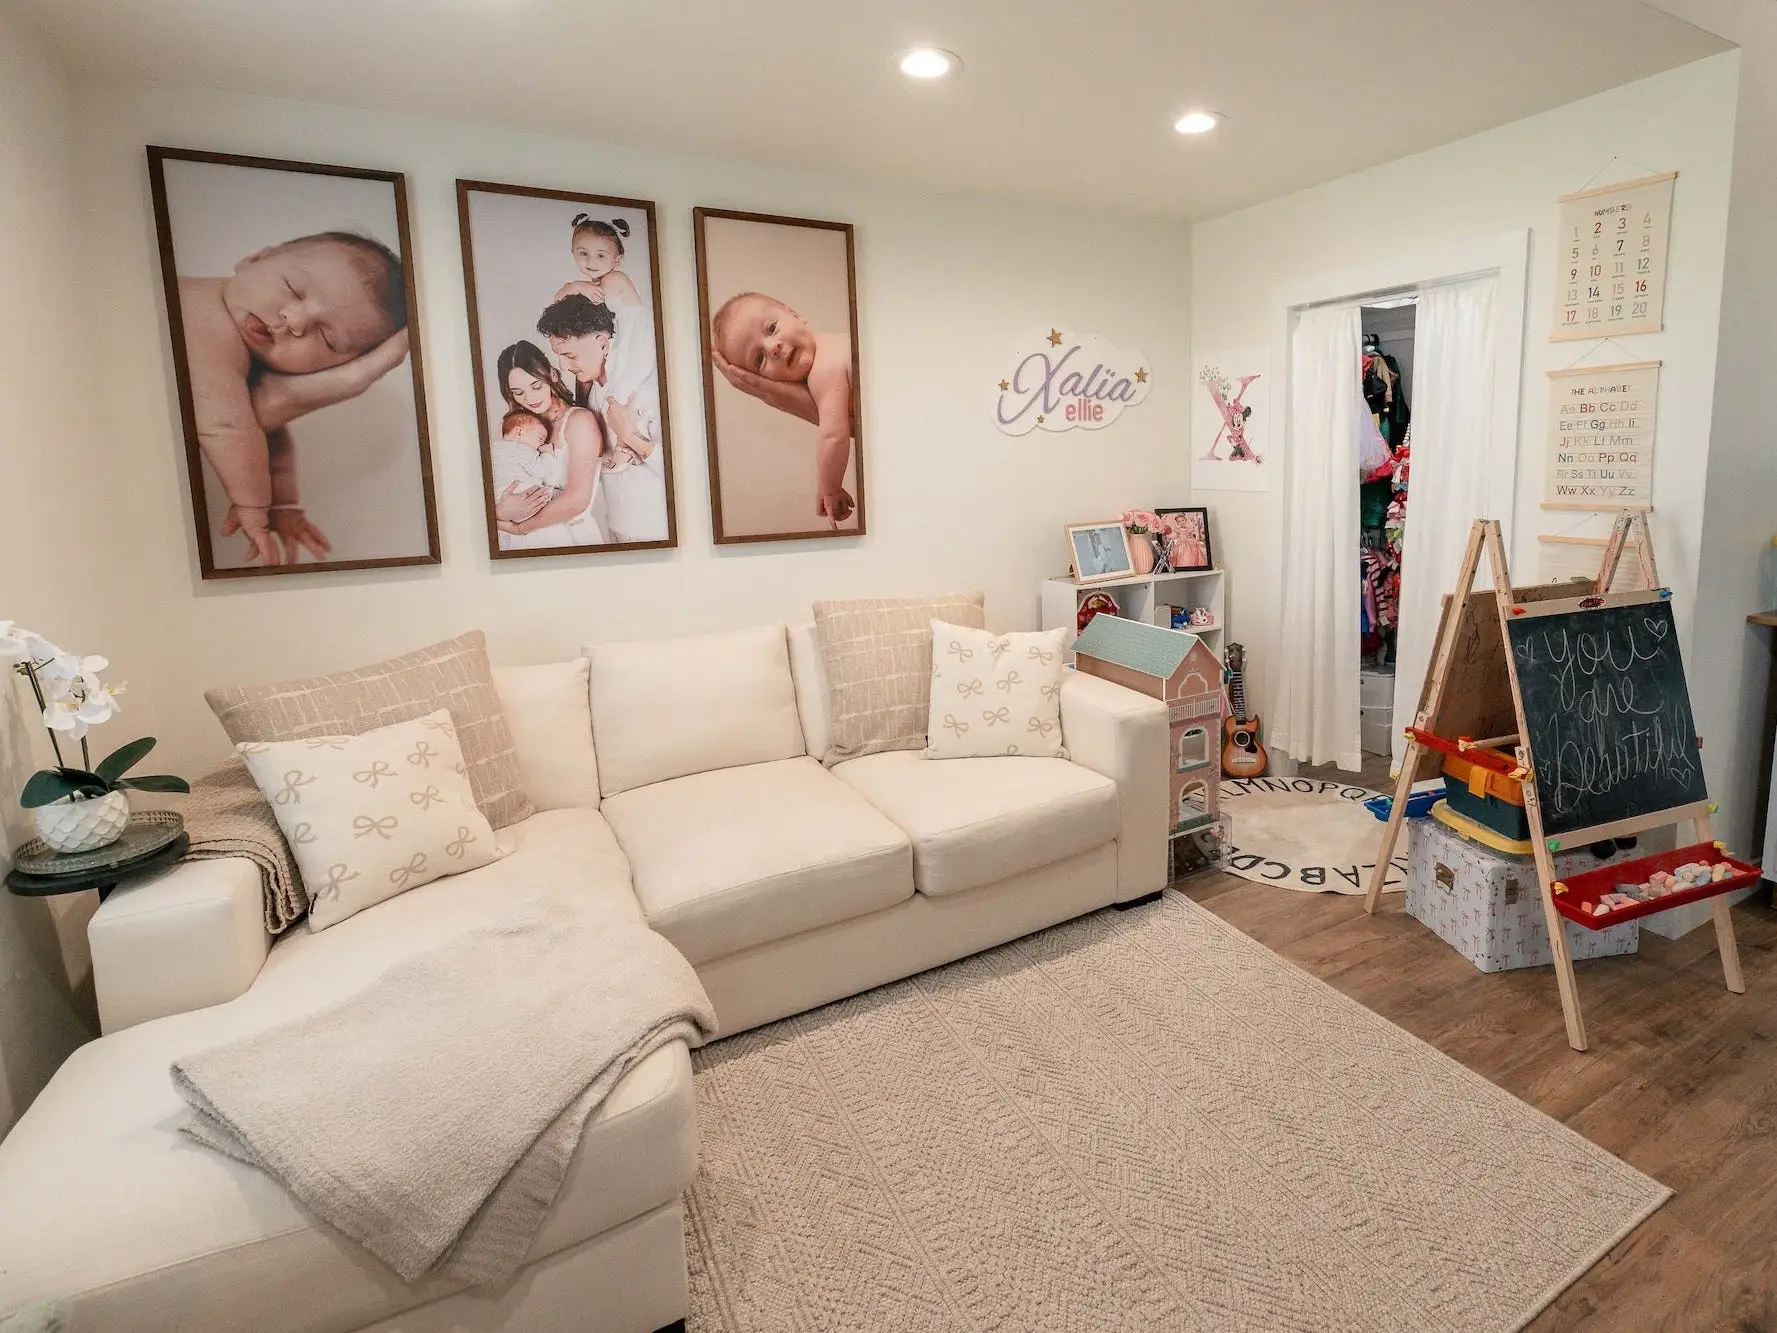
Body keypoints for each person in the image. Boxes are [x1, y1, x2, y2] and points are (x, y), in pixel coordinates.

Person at [177, 232, 409, 564]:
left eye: (327, 338)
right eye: (293, 289)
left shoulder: (243, 356)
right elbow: (227, 427)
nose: (295, 321)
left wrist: (284, 507)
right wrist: (253, 507)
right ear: (256, 258)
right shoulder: (207, 319)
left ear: (343, 364)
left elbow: (269, 443)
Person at [708, 291, 855, 529]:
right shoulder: (833, 344)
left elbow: (833, 436)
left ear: (794, 313)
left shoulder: (823, 371)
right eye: (759, 359)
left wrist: (830, 489)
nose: (772, 347)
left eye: (772, 328)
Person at [535, 295, 668, 544]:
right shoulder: (595, 392)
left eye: (570, 355)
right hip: (614, 527)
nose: (564, 366)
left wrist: (631, 438)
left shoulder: (643, 390)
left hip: (655, 534)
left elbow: (682, 472)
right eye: (559, 356)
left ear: (603, 344)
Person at [491, 340, 607, 549]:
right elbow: (497, 480)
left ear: (552, 375)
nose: (530, 398)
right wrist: (499, 511)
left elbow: (578, 499)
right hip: (520, 544)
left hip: (571, 540)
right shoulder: (514, 426)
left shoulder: (578, 421)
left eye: (536, 386)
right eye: (518, 392)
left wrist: (521, 527)